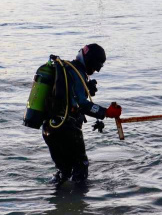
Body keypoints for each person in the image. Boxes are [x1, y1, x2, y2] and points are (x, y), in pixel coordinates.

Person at [42, 43, 122, 185]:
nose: (95, 71)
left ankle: (57, 202)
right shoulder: (76, 72)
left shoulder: (65, 69)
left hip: (49, 128)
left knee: (64, 170)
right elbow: (82, 104)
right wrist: (106, 112)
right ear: (90, 61)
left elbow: (67, 96)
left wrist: (87, 89)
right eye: (95, 67)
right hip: (67, 128)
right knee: (80, 167)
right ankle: (79, 204)